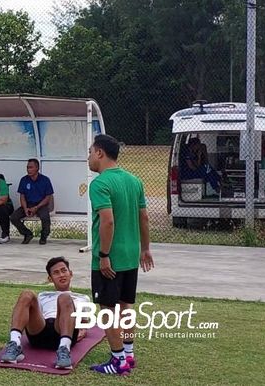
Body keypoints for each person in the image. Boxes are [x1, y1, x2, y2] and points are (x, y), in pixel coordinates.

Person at [86, 134, 154, 376]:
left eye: (90, 152)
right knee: (125, 305)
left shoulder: (100, 184)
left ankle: (117, 361)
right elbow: (144, 217)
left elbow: (108, 221)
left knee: (107, 308)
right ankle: (128, 354)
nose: (89, 157)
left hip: (110, 258)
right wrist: (145, 248)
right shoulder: (134, 181)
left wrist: (103, 255)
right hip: (130, 254)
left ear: (100, 153)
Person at [0, 256, 93, 369]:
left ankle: (64, 350)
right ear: (50, 278)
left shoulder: (83, 298)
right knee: (27, 294)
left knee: (65, 297)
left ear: (71, 273)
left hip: (63, 332)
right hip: (41, 331)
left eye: (64, 270)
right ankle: (15, 344)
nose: (62, 275)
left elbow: (85, 323)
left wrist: (82, 331)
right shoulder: (43, 295)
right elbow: (33, 315)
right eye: (56, 273)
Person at [9, 159, 55, 245]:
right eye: (27, 167)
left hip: (41, 204)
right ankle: (27, 234)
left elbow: (48, 197)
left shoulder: (45, 180)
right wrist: (25, 208)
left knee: (45, 217)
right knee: (13, 217)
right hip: (28, 204)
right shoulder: (24, 180)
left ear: (37, 168)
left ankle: (44, 236)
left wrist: (36, 207)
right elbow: (22, 196)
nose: (28, 170)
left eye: (31, 167)